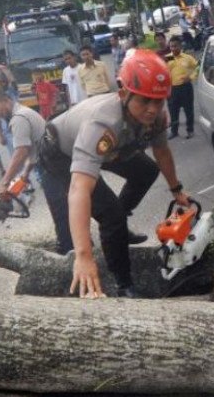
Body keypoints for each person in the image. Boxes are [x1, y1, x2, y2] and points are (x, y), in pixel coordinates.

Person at [38, 49, 188, 298]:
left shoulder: (158, 117)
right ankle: (123, 284)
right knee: (111, 215)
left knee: (147, 171)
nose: (152, 109)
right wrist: (84, 256)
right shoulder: (103, 124)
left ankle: (117, 227)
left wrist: (177, 190)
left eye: (158, 101)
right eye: (144, 100)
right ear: (124, 94)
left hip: (116, 145)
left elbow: (162, 152)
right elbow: (79, 189)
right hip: (60, 152)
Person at [0, 91, 47, 200]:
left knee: (60, 211)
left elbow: (21, 153)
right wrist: (25, 173)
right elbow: (33, 150)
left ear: (5, 100)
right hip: (48, 161)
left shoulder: (19, 118)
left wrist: (4, 183)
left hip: (49, 166)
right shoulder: (22, 111)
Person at [165, 35, 199, 140]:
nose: (173, 49)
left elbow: (197, 67)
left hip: (186, 88)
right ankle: (174, 131)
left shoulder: (187, 58)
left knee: (189, 110)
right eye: (171, 46)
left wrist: (191, 77)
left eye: (175, 46)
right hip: (172, 89)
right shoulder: (167, 58)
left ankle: (190, 130)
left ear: (180, 46)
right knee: (173, 111)